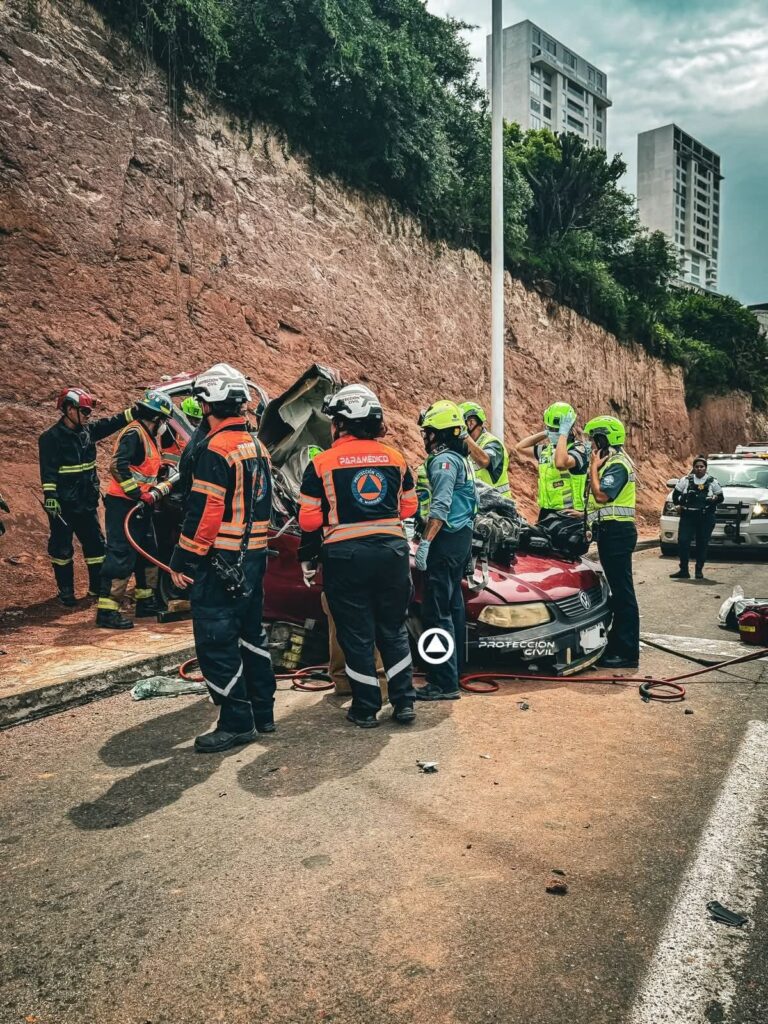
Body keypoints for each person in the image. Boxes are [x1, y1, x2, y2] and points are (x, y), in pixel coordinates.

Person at [169, 363, 276, 753]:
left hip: (222, 562)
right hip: (254, 559)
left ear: (208, 405)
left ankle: (236, 722)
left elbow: (206, 512)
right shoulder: (256, 446)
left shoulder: (216, 449)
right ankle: (263, 714)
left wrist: (183, 558)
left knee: (216, 642)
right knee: (252, 635)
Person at [298, 384, 418, 728]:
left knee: (357, 634)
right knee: (393, 631)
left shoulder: (320, 463)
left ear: (342, 424)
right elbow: (409, 506)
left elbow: (308, 520)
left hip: (345, 558)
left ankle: (366, 708)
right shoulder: (395, 458)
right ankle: (404, 702)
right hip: (392, 554)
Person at [38, 388, 135, 606]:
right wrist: (50, 496)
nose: (87, 416)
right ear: (68, 409)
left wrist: (135, 412)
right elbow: (48, 471)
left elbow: (112, 423)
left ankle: (96, 589)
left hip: (86, 501)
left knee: (96, 547)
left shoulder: (88, 432)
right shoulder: (50, 438)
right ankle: (66, 592)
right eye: (84, 411)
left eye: (89, 412)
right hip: (63, 505)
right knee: (61, 549)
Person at [414, 401, 477, 700]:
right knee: (454, 607)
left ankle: (442, 682)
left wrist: (425, 543)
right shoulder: (462, 459)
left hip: (446, 540)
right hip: (461, 539)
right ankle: (456, 669)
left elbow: (440, 507)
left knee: (436, 613)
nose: (424, 437)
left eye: (427, 432)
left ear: (437, 434)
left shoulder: (443, 462)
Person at [96, 390, 173, 629]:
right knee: (121, 554)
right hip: (124, 504)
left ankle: (145, 601)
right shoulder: (134, 433)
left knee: (148, 551)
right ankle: (107, 611)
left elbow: (143, 467)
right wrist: (137, 494)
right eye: (164, 421)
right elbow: (117, 466)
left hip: (140, 505)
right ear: (158, 418)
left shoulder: (149, 436)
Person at [584, 415, 639, 669]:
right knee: (618, 591)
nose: (594, 445)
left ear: (607, 438)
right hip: (610, 532)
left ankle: (627, 652)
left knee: (623, 593)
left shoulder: (616, 465)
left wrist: (593, 468)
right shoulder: (613, 462)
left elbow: (602, 494)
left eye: (596, 439)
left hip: (617, 533)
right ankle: (619, 644)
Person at [516, 403, 588, 521]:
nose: (553, 432)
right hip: (546, 512)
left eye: (556, 429)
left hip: (570, 513)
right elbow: (520, 447)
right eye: (550, 428)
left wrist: (563, 433)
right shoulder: (546, 451)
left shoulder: (579, 449)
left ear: (569, 428)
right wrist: (546, 432)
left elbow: (560, 463)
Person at [670, 455, 724, 580]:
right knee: (683, 541)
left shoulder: (712, 482)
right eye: (697, 467)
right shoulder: (686, 480)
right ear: (693, 468)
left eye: (702, 467)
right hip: (688, 516)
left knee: (702, 543)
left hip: (705, 517)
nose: (699, 469)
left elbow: (721, 497)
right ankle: (683, 570)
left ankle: (699, 570)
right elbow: (675, 495)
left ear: (706, 468)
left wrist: (714, 499)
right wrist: (678, 505)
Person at [459, 401, 511, 495]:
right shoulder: (464, 445)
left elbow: (484, 461)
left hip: (498, 506)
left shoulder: (493, 443)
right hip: (479, 505)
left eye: (460, 423)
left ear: (471, 423)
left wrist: (463, 435)